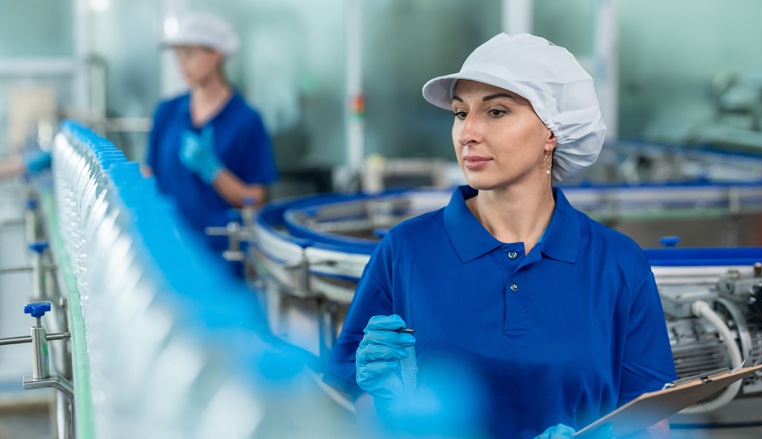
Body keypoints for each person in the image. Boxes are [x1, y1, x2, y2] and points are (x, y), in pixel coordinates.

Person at [323, 33, 677, 439]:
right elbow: (349, 404)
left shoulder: (617, 262)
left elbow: (652, 421)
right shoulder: (405, 251)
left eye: (496, 112)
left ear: (552, 132)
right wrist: (390, 408)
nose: (467, 132)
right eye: (460, 113)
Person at [146, 12, 278, 247]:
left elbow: (256, 200)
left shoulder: (246, 120)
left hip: (221, 254)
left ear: (217, 53)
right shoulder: (167, 112)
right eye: (177, 54)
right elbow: (150, 174)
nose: (181, 63)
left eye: (189, 53)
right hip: (170, 246)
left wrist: (215, 172)